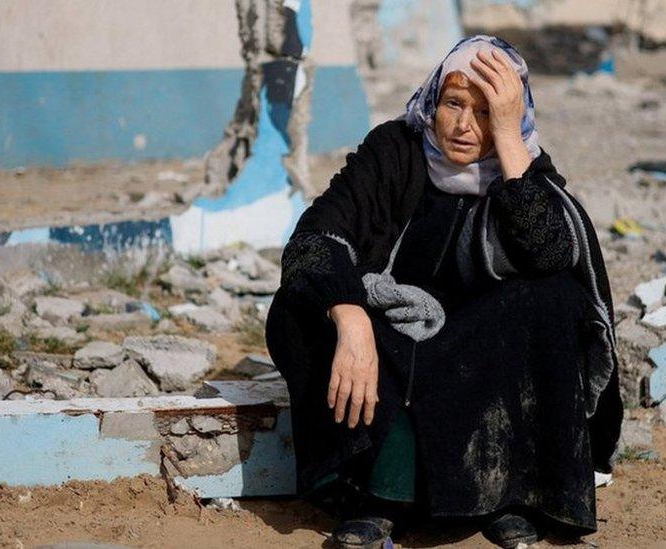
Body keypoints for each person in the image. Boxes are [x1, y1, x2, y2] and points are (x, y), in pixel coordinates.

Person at [265, 35, 623, 549]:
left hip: (473, 353)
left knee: (556, 299)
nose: (463, 125)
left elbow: (551, 254)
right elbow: (313, 237)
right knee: (296, 309)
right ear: (433, 101)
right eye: (454, 103)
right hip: (388, 340)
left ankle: (506, 494)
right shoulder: (393, 152)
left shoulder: (521, 168)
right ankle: (378, 497)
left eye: (485, 111)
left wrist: (508, 138)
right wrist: (352, 318)